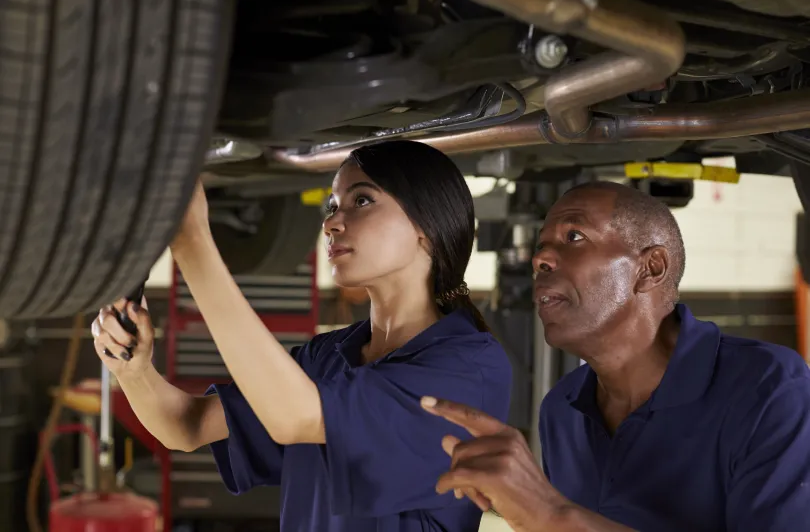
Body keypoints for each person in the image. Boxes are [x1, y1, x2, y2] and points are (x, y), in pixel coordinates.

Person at [90, 140, 513, 532]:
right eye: (332, 205)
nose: (331, 223)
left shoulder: (466, 367)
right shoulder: (328, 356)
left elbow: (299, 418)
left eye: (361, 200)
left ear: (428, 227)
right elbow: (187, 425)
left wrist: (193, 241)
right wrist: (134, 369)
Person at [421, 181, 810, 532]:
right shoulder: (562, 409)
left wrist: (551, 515)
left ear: (651, 268)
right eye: (541, 246)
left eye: (573, 236)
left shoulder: (770, 389)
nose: (540, 260)